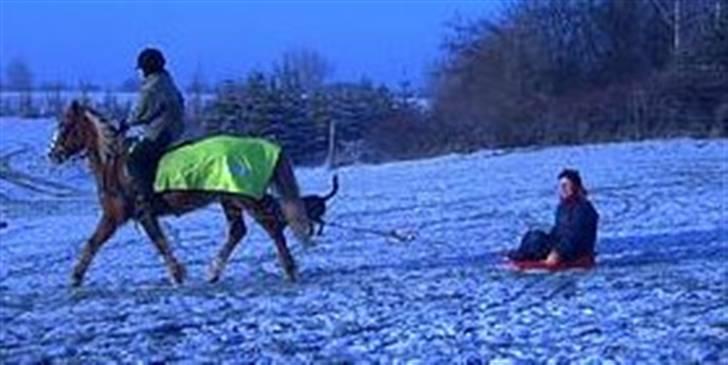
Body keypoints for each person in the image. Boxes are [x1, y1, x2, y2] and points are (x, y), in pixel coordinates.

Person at [122, 47, 186, 218]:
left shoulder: (152, 86)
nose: (140, 72)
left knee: (135, 158)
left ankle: (150, 200)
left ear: (147, 68)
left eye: (141, 69)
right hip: (175, 129)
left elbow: (140, 112)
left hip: (161, 131)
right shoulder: (166, 80)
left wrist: (125, 124)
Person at [508, 169, 599, 265]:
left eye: (565, 186)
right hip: (563, 245)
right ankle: (522, 254)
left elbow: (575, 237)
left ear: (575, 186)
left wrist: (557, 253)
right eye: (560, 186)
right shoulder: (563, 207)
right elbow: (558, 231)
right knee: (534, 235)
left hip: (575, 251)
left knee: (535, 240)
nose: (562, 189)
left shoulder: (582, 209)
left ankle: (524, 254)